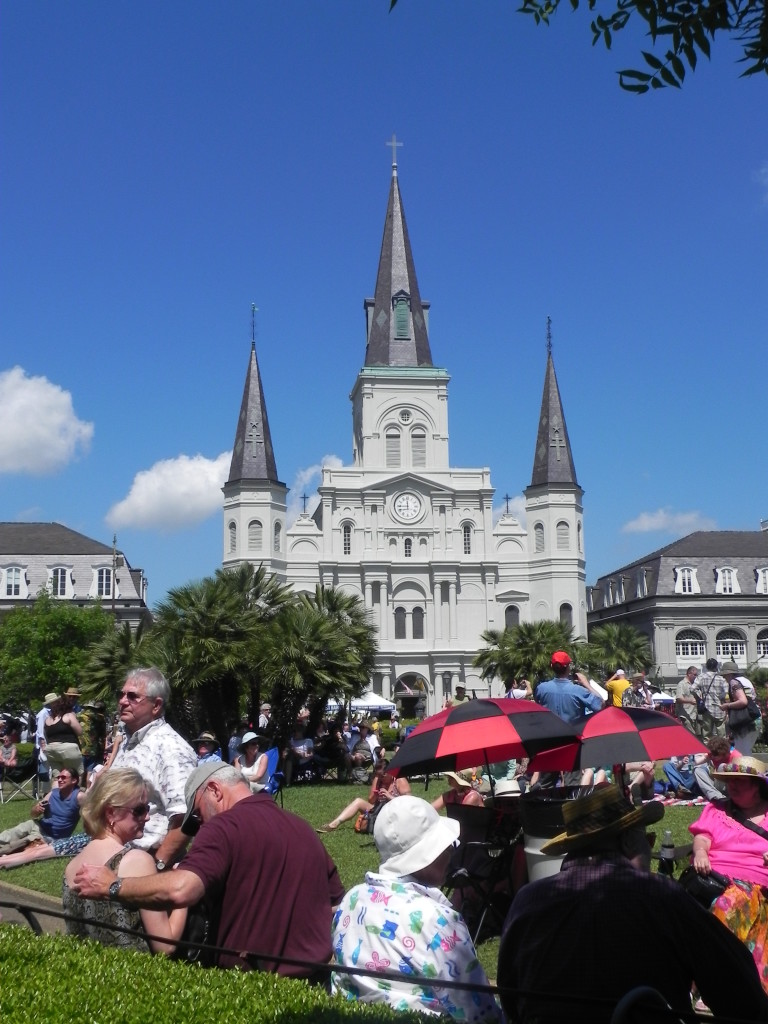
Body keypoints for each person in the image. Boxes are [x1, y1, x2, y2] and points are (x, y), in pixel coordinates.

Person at [498, 784, 768, 1023]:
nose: (649, 846)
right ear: (628, 841)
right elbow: (741, 991)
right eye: (647, 839)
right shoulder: (661, 897)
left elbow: (509, 995)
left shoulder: (527, 901)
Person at [73, 762, 345, 978]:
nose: (200, 824)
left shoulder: (224, 826)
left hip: (251, 985)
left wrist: (112, 885)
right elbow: (336, 904)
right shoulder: (302, 827)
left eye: (197, 815)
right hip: (315, 983)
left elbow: (183, 889)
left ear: (214, 790)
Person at [331, 795, 502, 1022]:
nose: (452, 850)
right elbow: (480, 1013)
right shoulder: (438, 921)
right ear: (425, 856)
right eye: (444, 844)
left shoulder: (351, 900)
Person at [63, 768, 186, 953]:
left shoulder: (72, 864)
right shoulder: (137, 861)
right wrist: (183, 893)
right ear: (111, 813)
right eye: (139, 810)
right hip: (129, 978)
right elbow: (165, 945)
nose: (147, 816)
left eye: (147, 808)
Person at [690, 756, 768, 992]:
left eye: (739, 781)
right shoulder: (716, 809)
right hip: (712, 876)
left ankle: (707, 982)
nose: (731, 786)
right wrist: (701, 852)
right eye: (729, 781)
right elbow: (702, 837)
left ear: (757, 786)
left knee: (729, 906)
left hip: (752, 879)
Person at [110, 666, 197, 869]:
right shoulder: (130, 741)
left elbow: (184, 817)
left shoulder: (171, 748)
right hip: (115, 856)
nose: (122, 701)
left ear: (156, 705)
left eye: (132, 696)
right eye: (121, 694)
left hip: (144, 862)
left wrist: (157, 865)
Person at [534, 651, 602, 787]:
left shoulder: (542, 689)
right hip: (571, 741)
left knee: (546, 783)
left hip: (549, 741)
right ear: (568, 667)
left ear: (551, 666)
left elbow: (537, 702)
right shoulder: (578, 690)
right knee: (572, 783)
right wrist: (586, 683)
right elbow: (600, 705)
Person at [316, 756, 410, 832]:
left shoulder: (399, 780)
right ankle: (334, 823)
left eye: (383, 775)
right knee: (358, 801)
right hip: (378, 810)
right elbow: (371, 800)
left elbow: (409, 802)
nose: (380, 777)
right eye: (378, 775)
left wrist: (389, 796)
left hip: (395, 811)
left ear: (390, 771)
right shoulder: (378, 780)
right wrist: (377, 793)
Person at [0, 767, 81, 855]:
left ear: (74, 780)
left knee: (19, 845)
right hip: (36, 825)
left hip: (49, 837)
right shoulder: (53, 794)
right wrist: (36, 809)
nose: (60, 780)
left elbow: (92, 816)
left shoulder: (79, 797)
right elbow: (33, 814)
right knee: (10, 834)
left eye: (63, 777)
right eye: (59, 777)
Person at [721, 660, 759, 755]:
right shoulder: (745, 681)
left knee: (741, 753)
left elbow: (743, 701)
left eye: (724, 675)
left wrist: (727, 705)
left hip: (744, 722)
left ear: (729, 673)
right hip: (754, 718)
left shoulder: (734, 682)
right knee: (747, 750)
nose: (724, 678)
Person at [44, 694, 83, 776]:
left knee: (58, 778)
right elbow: (80, 732)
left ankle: (56, 789)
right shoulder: (68, 716)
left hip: (51, 750)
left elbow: (46, 737)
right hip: (67, 749)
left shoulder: (47, 720)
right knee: (75, 776)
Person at [691, 657, 728, 742]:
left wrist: (699, 695)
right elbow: (726, 693)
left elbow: (692, 688)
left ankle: (707, 752)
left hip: (706, 708)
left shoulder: (701, 677)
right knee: (721, 734)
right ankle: (722, 751)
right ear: (716, 667)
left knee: (706, 734)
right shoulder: (721, 678)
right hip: (719, 708)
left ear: (707, 667)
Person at [78, 699, 107, 784]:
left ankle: (77, 790)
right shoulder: (100, 719)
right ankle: (88, 790)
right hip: (93, 749)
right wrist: (102, 750)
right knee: (90, 772)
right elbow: (102, 736)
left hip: (81, 748)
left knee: (80, 772)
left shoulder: (79, 716)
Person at [675, 665, 700, 737]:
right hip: (685, 715)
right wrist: (690, 701)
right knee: (690, 736)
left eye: (697, 675)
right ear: (689, 674)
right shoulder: (682, 684)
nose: (696, 677)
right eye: (694, 675)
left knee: (697, 736)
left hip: (694, 715)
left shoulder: (695, 685)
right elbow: (679, 698)